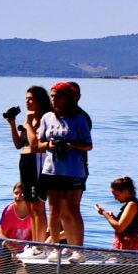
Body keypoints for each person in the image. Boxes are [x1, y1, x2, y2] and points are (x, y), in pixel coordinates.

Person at [34, 81, 94, 246]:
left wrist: (70, 145)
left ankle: (78, 248)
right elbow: (38, 145)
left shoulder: (79, 119)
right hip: (52, 170)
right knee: (54, 210)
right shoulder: (47, 117)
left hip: (73, 170)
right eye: (52, 96)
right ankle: (55, 247)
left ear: (66, 98)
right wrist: (49, 145)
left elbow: (88, 145)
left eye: (57, 96)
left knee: (73, 209)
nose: (53, 99)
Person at [0, 183, 43, 274]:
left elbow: (34, 234)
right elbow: (1, 234)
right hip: (5, 244)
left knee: (24, 267)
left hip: (23, 247)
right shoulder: (9, 211)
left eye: (22, 193)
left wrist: (25, 251)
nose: (18, 196)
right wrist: (12, 250)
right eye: (16, 193)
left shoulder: (33, 213)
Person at [4, 85, 51, 199]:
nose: (27, 102)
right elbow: (18, 144)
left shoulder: (44, 119)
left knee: (36, 200)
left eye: (31, 99)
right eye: (26, 98)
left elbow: (35, 144)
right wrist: (12, 124)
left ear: (39, 101)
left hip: (36, 159)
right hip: (24, 160)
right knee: (27, 198)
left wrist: (29, 123)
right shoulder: (29, 120)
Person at [95, 176, 138, 251]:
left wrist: (103, 213)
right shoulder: (130, 204)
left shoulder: (132, 205)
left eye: (116, 195)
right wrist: (112, 218)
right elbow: (127, 226)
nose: (115, 198)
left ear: (125, 191)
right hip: (128, 244)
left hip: (129, 245)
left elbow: (119, 228)